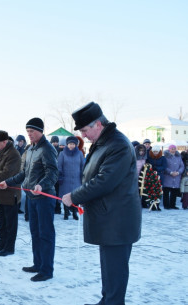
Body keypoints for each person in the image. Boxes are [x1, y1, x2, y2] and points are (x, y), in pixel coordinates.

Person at [61, 102, 142, 305]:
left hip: (117, 220)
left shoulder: (118, 145)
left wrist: (75, 196)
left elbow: (104, 181)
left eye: (85, 130)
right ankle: (107, 301)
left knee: (115, 270)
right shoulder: (104, 142)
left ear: (98, 124)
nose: (83, 135)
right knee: (108, 267)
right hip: (108, 217)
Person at [0, 117, 58, 282]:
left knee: (45, 234)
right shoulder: (29, 150)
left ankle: (46, 270)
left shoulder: (47, 149)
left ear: (40, 131)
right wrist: (7, 182)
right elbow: (23, 173)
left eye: (32, 131)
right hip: (31, 197)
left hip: (44, 197)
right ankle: (38, 264)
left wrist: (42, 185)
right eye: (28, 131)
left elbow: (52, 172)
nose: (29, 134)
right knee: (35, 232)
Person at [57, 136, 85, 220]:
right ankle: (66, 212)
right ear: (67, 145)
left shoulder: (79, 153)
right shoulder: (62, 154)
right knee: (65, 196)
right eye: (69, 144)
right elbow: (59, 166)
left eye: (73, 144)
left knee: (75, 196)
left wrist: (83, 176)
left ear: (76, 145)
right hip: (66, 179)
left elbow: (83, 166)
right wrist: (60, 176)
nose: (71, 146)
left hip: (77, 179)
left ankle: (74, 213)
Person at [162, 144, 185, 210]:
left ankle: (172, 205)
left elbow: (182, 166)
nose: (173, 150)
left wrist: (178, 172)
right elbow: (165, 166)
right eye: (172, 149)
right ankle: (166, 205)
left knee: (174, 192)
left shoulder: (178, 157)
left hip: (177, 176)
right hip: (168, 176)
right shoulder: (165, 157)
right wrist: (171, 172)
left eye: (174, 149)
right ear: (169, 149)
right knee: (166, 191)